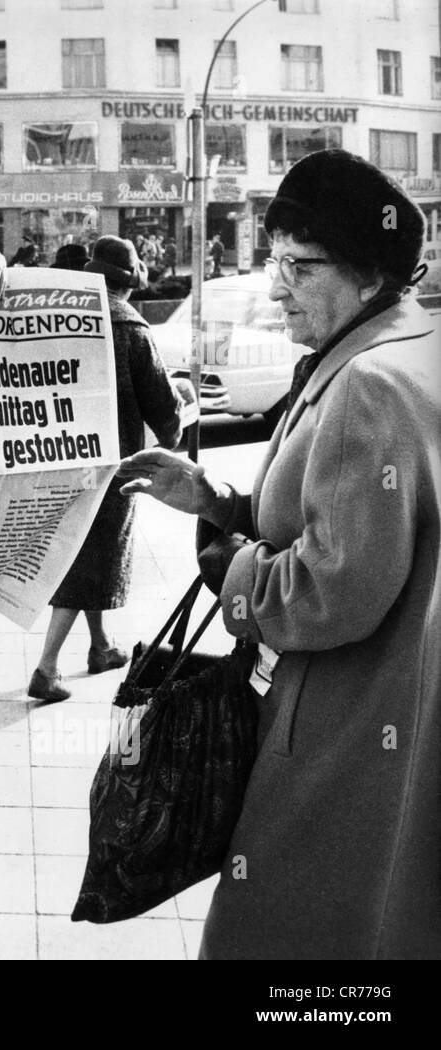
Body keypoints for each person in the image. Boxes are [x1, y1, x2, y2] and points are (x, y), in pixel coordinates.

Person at [119, 150, 440, 959]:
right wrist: (217, 502)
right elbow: (357, 510)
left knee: (293, 938)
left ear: (369, 276)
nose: (275, 286)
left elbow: (336, 587)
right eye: (275, 261)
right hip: (390, 716)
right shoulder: (408, 344)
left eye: (300, 265)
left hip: (339, 724)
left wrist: (234, 570)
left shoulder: (369, 380)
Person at [29, 236, 183, 702]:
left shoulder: (63, 322)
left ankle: (100, 647)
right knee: (92, 558)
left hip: (58, 455)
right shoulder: (131, 327)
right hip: (110, 466)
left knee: (88, 553)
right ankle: (47, 667)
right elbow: (163, 408)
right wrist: (176, 421)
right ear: (130, 284)